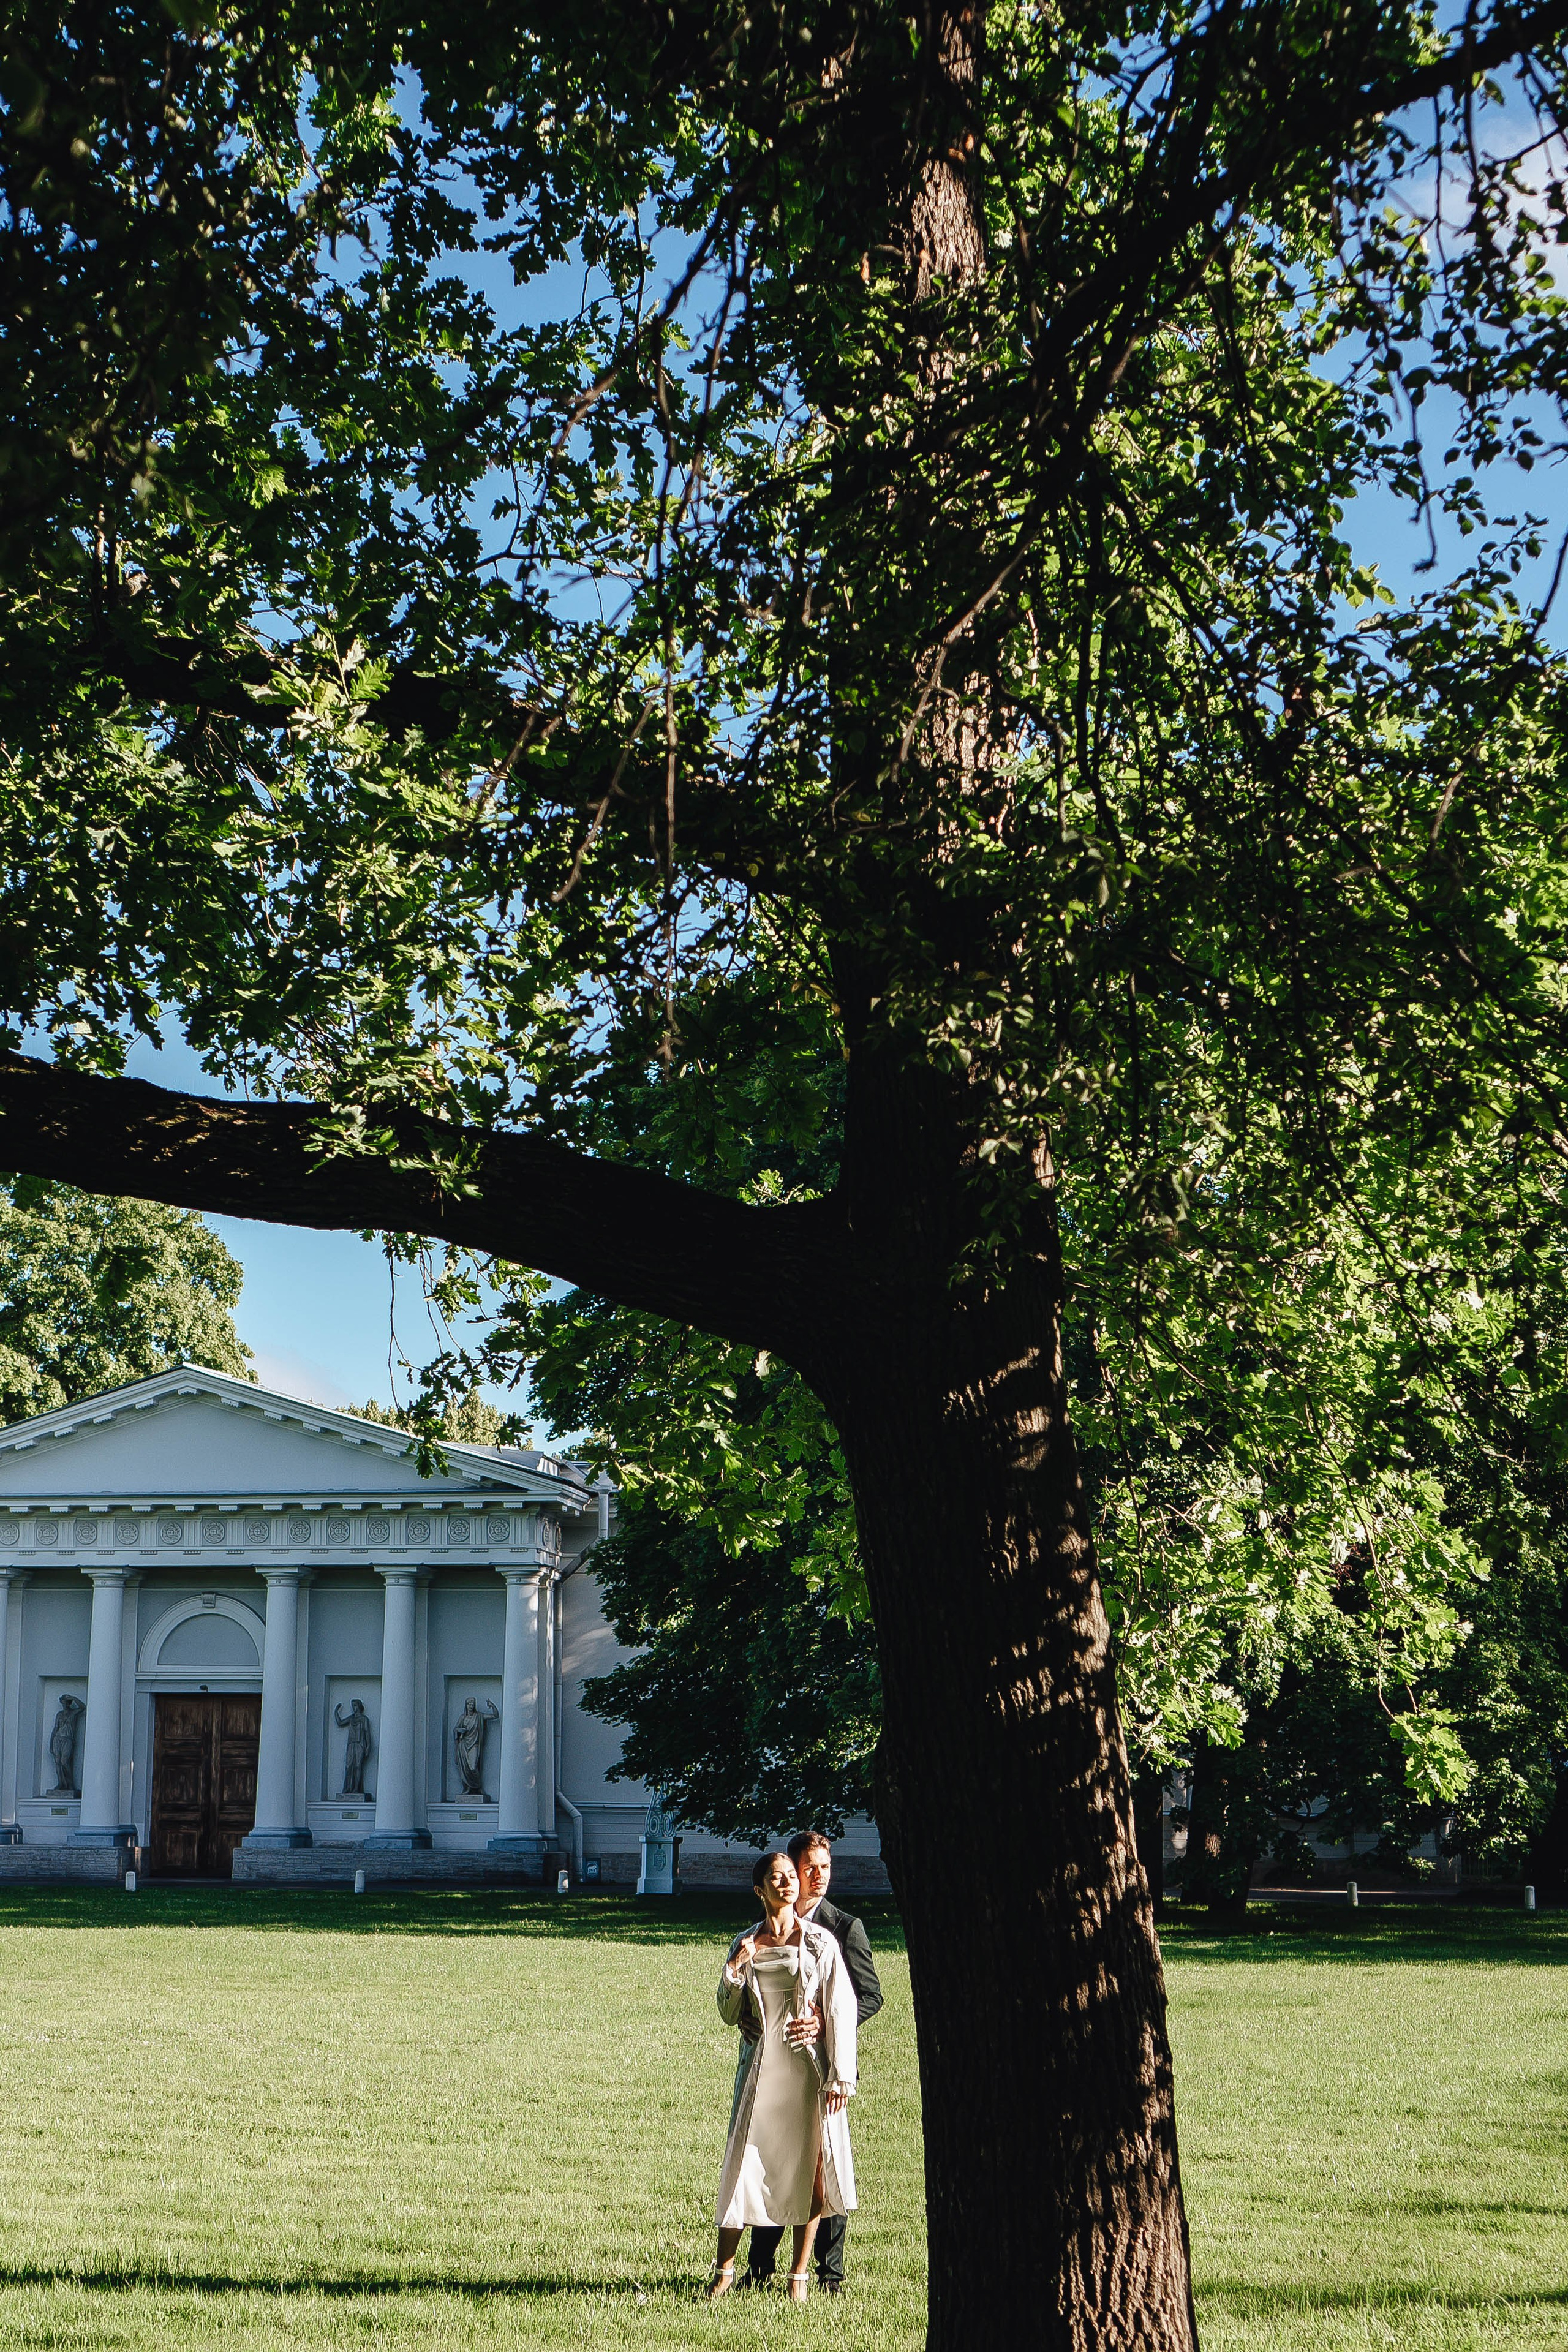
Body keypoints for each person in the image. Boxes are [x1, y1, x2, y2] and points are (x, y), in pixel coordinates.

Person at [707, 1849, 858, 2304]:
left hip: (806, 2071)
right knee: (743, 2166)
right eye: (777, 1877)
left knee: (809, 2170)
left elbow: (841, 2007)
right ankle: (724, 2271)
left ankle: (799, 2277)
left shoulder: (820, 1943)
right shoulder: (745, 1942)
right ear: (761, 1890)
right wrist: (735, 1970)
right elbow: (728, 2013)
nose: (788, 1882)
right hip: (760, 2070)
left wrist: (841, 2076)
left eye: (791, 1875)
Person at [743, 1829, 882, 2294]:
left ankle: (829, 2275)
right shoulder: (766, 1926)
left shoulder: (845, 1927)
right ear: (790, 1873)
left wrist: (825, 2024)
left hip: (826, 2068)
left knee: (827, 2168)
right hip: (776, 2067)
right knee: (774, 2163)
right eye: (809, 1869)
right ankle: (759, 2269)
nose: (818, 1877)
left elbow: (870, 1996)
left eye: (826, 1868)